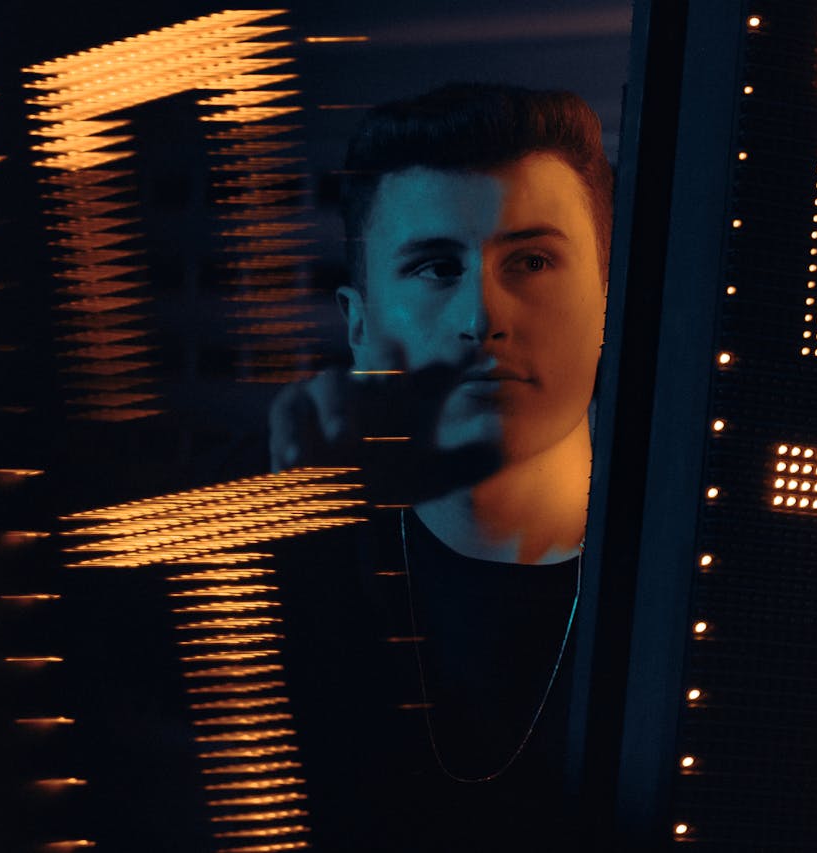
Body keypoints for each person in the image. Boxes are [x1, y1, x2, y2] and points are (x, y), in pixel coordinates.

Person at [268, 82, 613, 851]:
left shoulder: (697, 576)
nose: (481, 318)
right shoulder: (288, 563)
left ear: (609, 300)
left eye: (531, 259)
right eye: (434, 267)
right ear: (358, 327)